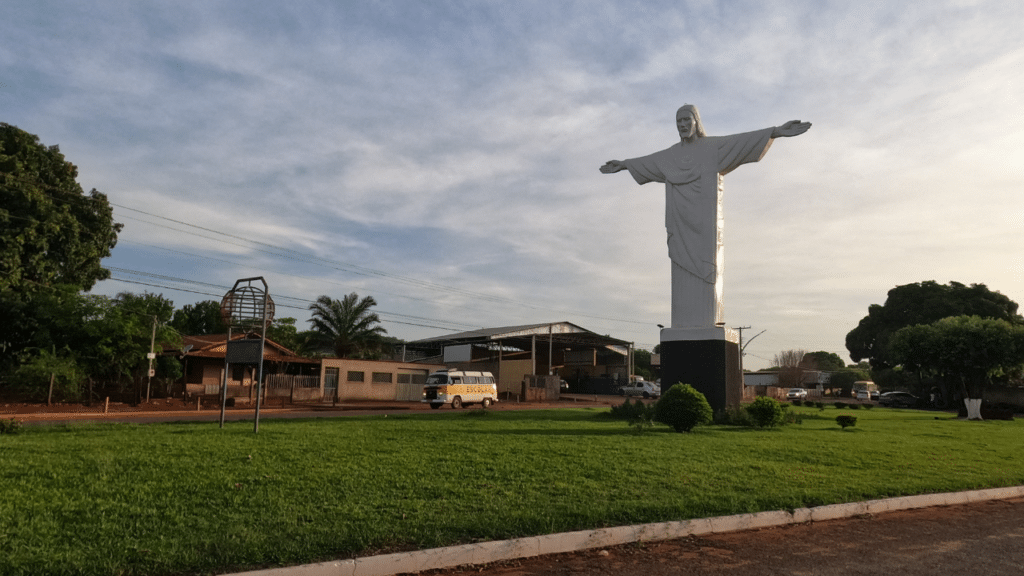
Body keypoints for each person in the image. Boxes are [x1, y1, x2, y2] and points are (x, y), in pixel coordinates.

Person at [601, 104, 810, 329]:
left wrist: (776, 131)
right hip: (679, 222)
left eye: (686, 121)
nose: (682, 125)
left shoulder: (712, 148)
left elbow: (741, 141)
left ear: (696, 122)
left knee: (706, 269)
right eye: (678, 122)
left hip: (705, 223)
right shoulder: (671, 155)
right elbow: (649, 161)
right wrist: (623, 165)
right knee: (681, 268)